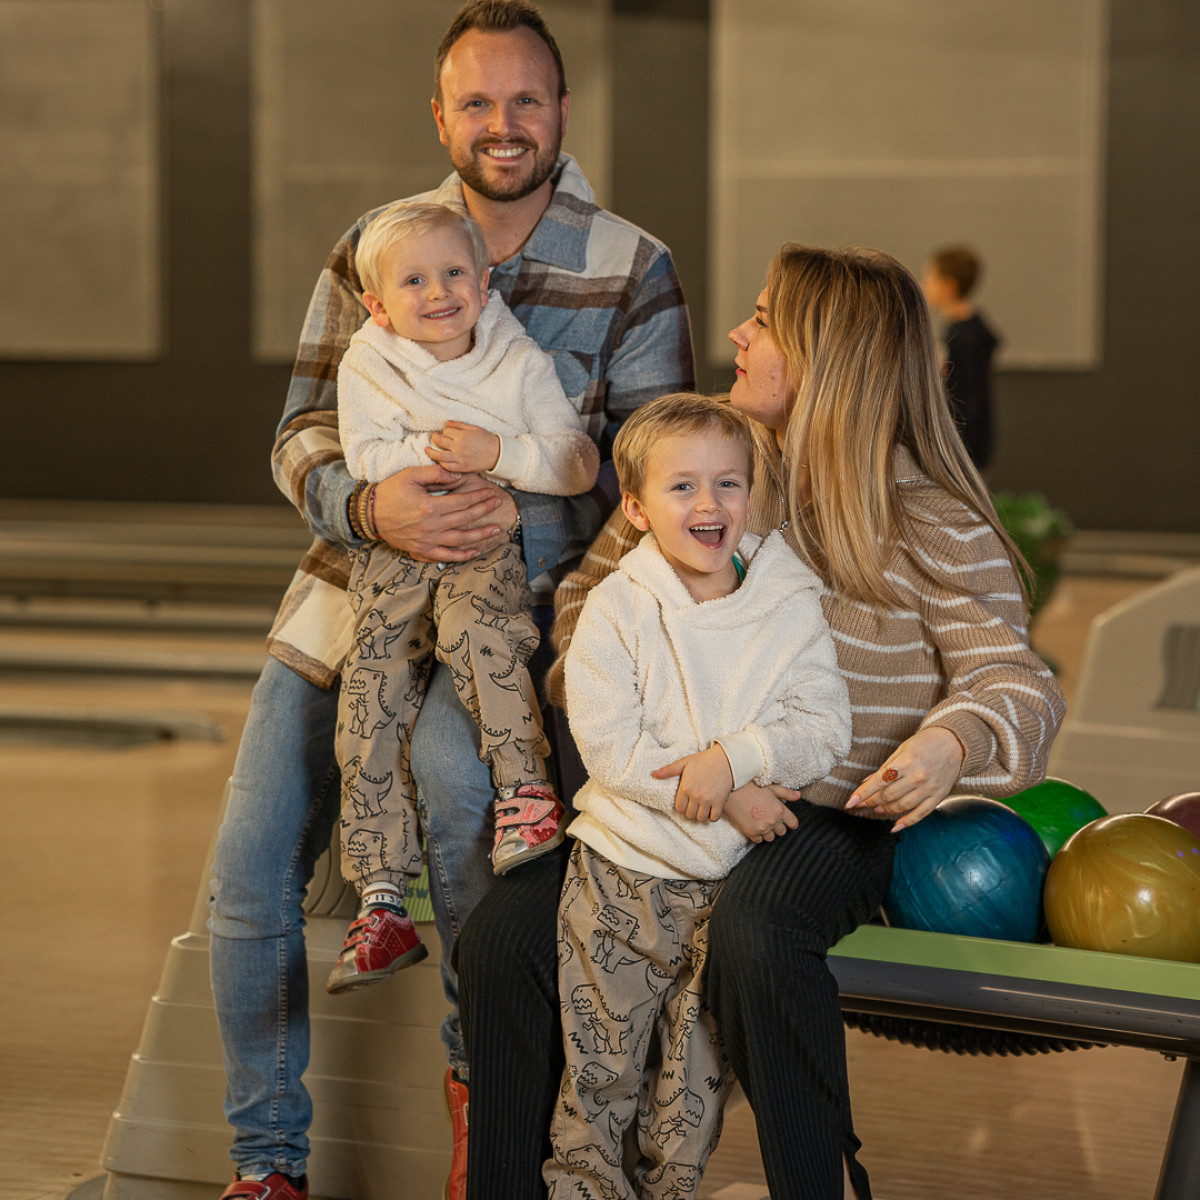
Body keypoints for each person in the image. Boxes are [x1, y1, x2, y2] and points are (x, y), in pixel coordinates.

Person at [455, 243, 1066, 1200]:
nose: (736, 333)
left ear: (830, 356)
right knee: (502, 942)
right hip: (669, 800)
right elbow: (583, 612)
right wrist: (672, 713)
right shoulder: (702, 477)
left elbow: (1015, 680)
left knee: (755, 929)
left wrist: (947, 742)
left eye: (764, 319)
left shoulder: (931, 518)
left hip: (822, 816)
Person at [206, 2, 694, 1197]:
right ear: (441, 115)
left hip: (507, 614)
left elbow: (647, 483)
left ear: (563, 110)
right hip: (353, 593)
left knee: (465, 793)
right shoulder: (371, 244)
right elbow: (301, 436)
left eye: (526, 99)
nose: (503, 123)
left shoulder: (632, 265)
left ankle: (488, 1105)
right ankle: (266, 1165)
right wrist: (373, 509)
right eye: (477, 102)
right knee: (247, 867)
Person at [544, 393, 851, 1198]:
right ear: (638, 509)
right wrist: (732, 796)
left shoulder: (788, 602)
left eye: (728, 484)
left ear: (752, 496)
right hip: (623, 879)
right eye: (682, 488)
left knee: (690, 1101)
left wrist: (735, 759)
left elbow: (823, 726)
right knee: (601, 1079)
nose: (709, 505)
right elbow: (610, 749)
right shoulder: (617, 608)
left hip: (730, 891)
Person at [328, 198, 600, 994]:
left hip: (484, 541)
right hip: (397, 549)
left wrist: (499, 453)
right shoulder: (365, 363)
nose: (438, 291)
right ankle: (381, 898)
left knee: (487, 640)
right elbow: (364, 453)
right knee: (370, 686)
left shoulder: (520, 364)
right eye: (413, 280)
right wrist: (434, 454)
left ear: (484, 283)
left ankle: (524, 794)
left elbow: (575, 460)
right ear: (378, 305)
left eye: (454, 273)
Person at [922, 244, 1001, 469]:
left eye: (930, 278)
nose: (925, 285)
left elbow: (967, 401)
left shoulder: (964, 338)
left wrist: (952, 448)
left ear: (949, 286)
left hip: (965, 449)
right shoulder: (961, 331)